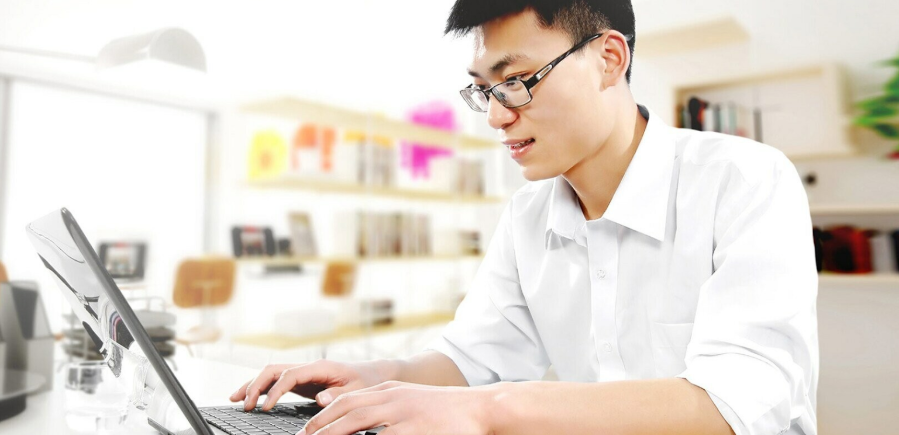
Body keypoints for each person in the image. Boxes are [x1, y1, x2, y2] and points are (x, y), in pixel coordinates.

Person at [230, 1, 819, 434]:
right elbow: (474, 359)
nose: (496, 116)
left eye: (515, 82)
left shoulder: (744, 179)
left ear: (609, 59)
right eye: (484, 90)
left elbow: (730, 405)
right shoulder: (528, 214)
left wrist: (487, 411)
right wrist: (374, 377)